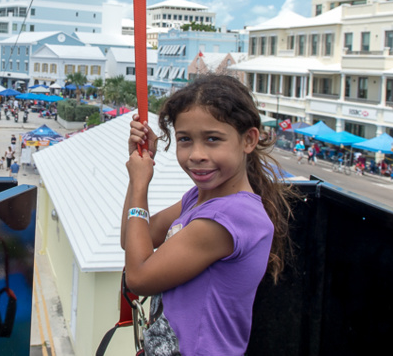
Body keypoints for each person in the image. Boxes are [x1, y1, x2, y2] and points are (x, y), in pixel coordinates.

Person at [122, 74, 294, 354]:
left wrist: (141, 184)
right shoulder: (199, 200)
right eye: (185, 139)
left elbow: (138, 277)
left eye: (213, 139)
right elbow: (131, 238)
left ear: (248, 140)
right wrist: (138, 170)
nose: (196, 154)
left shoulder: (229, 217)